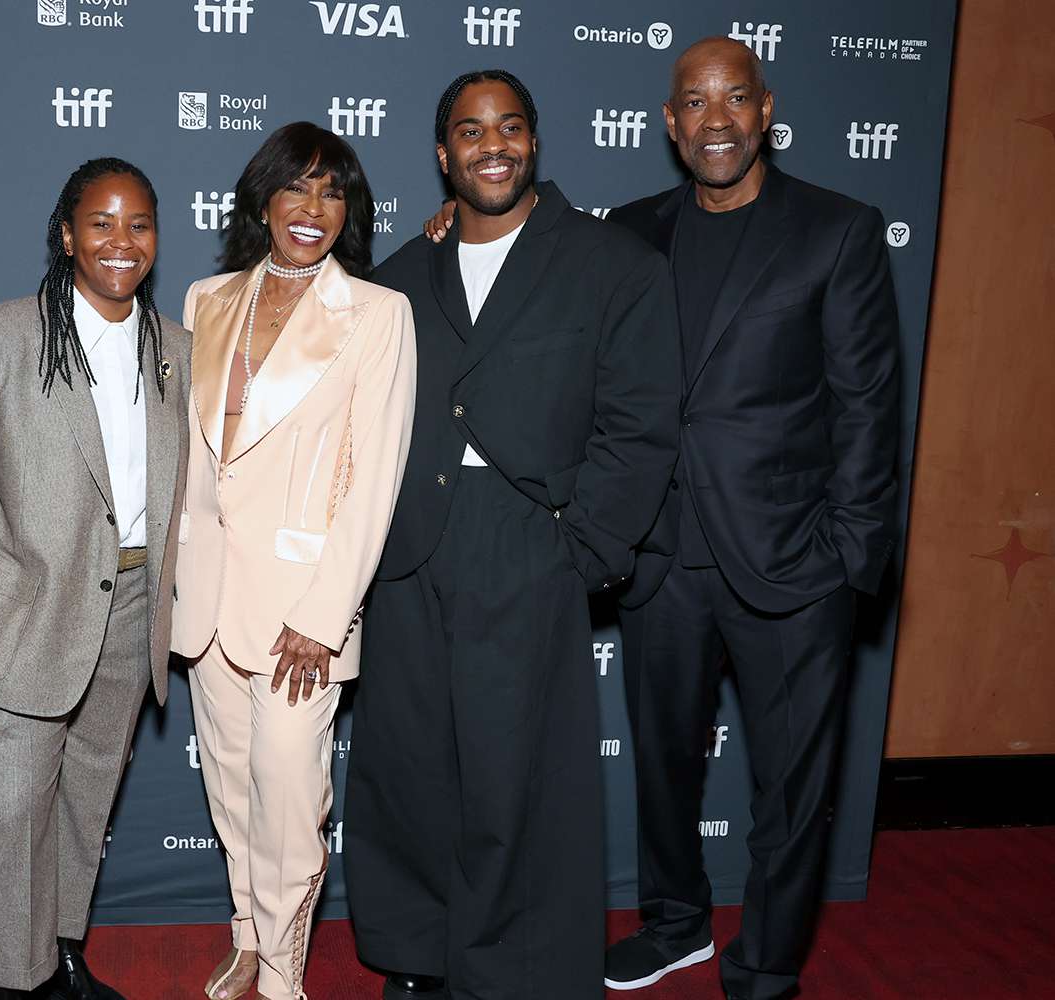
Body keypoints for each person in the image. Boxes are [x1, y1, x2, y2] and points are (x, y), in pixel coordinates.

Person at [423, 37, 902, 1000]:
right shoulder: (632, 230)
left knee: (790, 788)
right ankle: (676, 922)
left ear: (765, 111)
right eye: (693, 102)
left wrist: (850, 559)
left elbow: (870, 407)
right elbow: (531, 247)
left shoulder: (838, 230)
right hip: (660, 554)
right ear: (670, 121)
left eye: (733, 100)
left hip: (791, 560)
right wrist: (459, 225)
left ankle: (765, 961)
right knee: (663, 766)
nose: (714, 119)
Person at [347, 70, 681, 1000]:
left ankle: (508, 971)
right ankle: (416, 954)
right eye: (469, 130)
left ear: (535, 141)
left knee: (512, 777)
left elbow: (641, 423)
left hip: (530, 541)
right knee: (408, 765)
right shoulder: (400, 276)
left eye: (510, 128)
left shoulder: (613, 263)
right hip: (410, 544)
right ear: (442, 153)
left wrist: (585, 550)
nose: (491, 145)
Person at [0, 159, 190, 1000]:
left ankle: (61, 955)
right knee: (13, 813)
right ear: (66, 235)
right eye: (100, 223)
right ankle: (9, 982)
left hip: (133, 609)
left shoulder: (176, 346)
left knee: (83, 803)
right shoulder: (0, 336)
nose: (120, 241)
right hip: (17, 616)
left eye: (139, 224)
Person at [171, 122, 416, 1000]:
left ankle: (284, 969)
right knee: (233, 789)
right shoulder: (206, 299)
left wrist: (325, 615)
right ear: (263, 201)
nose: (313, 209)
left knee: (287, 789)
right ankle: (246, 934)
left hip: (301, 610)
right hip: (205, 595)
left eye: (333, 191)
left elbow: (375, 475)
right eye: (297, 189)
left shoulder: (378, 314)